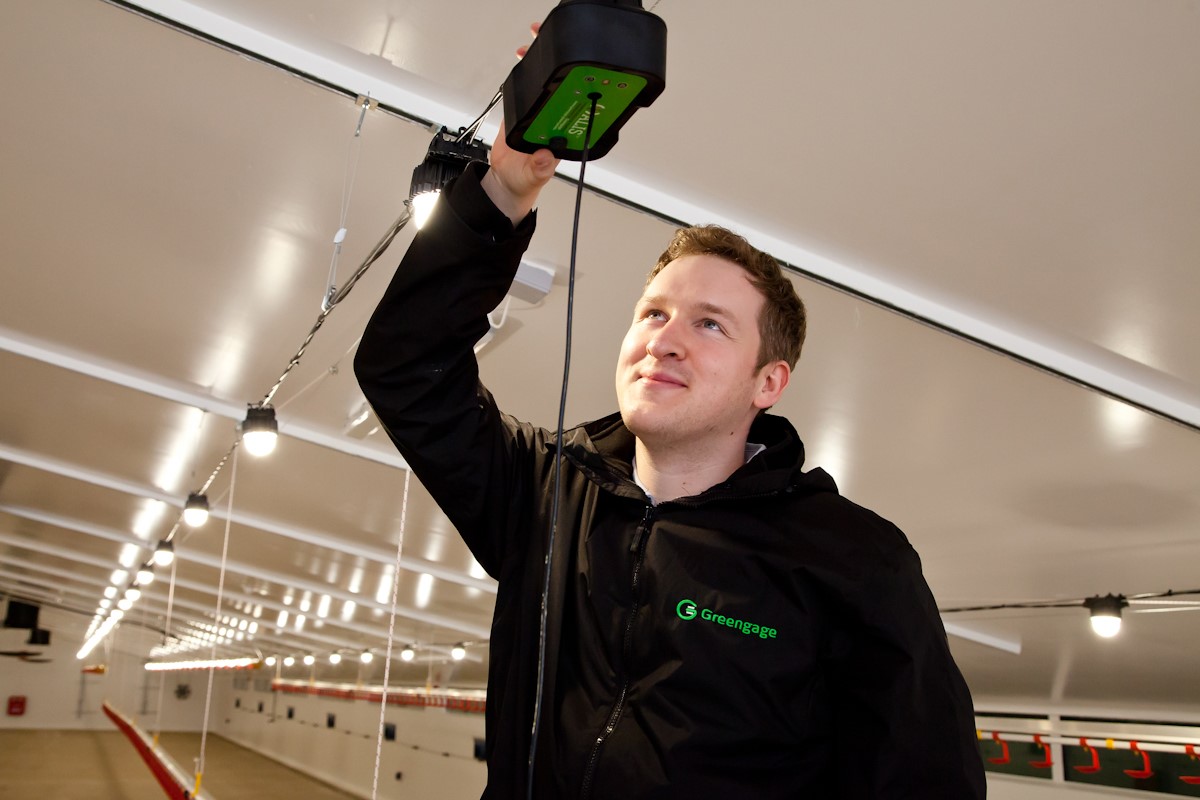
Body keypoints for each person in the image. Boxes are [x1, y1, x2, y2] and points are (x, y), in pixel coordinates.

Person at [354, 125, 986, 798]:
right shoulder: (545, 490)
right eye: (653, 314)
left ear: (768, 383)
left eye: (709, 324)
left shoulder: (855, 562)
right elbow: (405, 368)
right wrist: (499, 196)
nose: (665, 341)